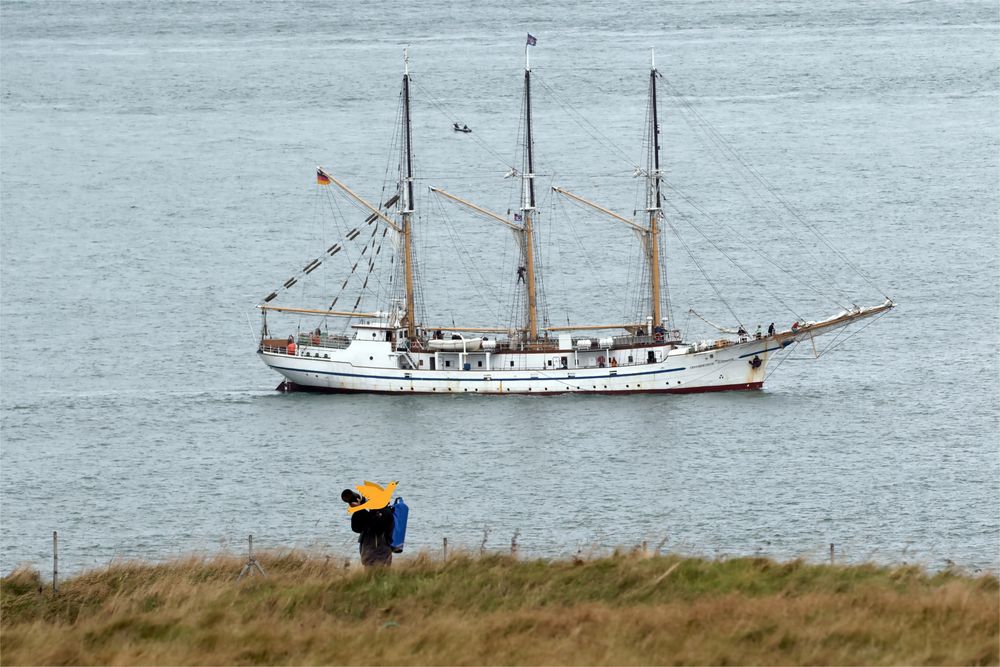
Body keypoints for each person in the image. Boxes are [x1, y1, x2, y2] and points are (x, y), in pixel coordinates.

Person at [343, 489, 394, 568]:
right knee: (369, 579)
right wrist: (358, 510)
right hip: (368, 556)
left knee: (381, 578)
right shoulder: (370, 513)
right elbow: (356, 528)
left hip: (381, 556)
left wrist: (361, 509)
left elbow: (376, 528)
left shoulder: (386, 513)